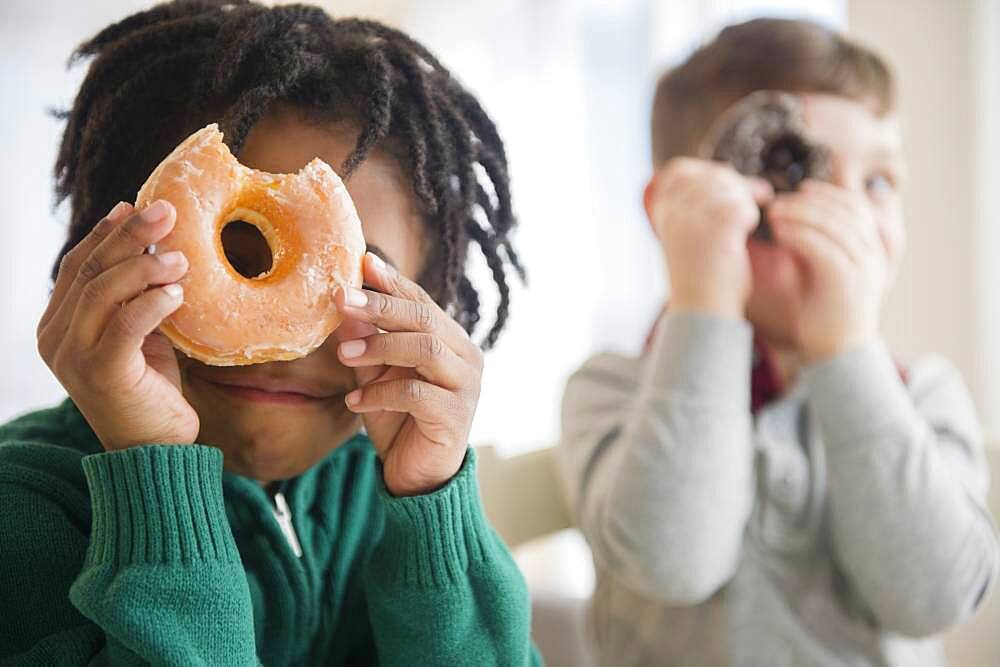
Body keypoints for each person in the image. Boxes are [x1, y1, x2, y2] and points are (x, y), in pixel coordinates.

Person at [0, 2, 539, 664]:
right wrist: (155, 471)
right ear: (102, 256)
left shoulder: (388, 507)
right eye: (237, 251)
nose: (289, 344)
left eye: (359, 280)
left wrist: (432, 513)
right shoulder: (23, 508)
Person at [558, 17, 998, 666]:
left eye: (878, 182)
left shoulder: (924, 398)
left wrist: (847, 349)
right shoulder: (611, 389)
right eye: (793, 170)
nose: (851, 213)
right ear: (672, 210)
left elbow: (934, 597)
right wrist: (708, 301)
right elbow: (674, 562)